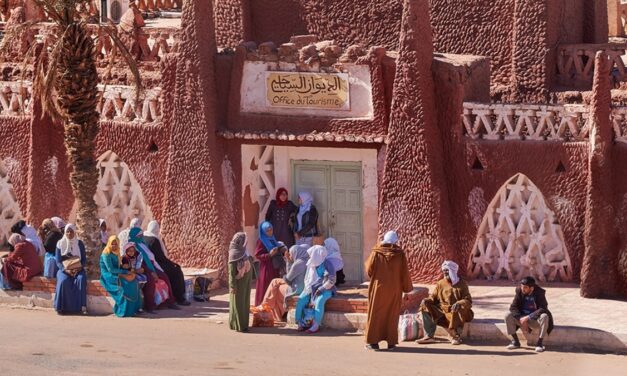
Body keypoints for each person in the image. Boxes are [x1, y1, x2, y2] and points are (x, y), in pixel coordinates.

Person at [364, 231, 413, 351]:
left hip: (378, 289)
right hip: (394, 289)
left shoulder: (376, 253)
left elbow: (369, 270)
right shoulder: (400, 254)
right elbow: (404, 273)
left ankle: (372, 342)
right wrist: (406, 290)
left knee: (375, 314)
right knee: (392, 315)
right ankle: (391, 343)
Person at [416, 260, 474, 345]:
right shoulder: (440, 283)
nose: (445, 272)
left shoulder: (462, 284)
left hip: (458, 312)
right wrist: (426, 300)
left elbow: (468, 301)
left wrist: (459, 303)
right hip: (444, 311)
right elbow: (433, 298)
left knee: (457, 308)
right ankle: (429, 336)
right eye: (444, 271)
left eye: (447, 270)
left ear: (453, 271)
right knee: (425, 305)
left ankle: (456, 336)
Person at [128, 227, 178, 312]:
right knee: (150, 280)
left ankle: (170, 301)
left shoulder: (142, 243)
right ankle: (150, 306)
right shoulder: (132, 246)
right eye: (139, 235)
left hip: (150, 265)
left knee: (165, 276)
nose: (141, 236)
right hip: (141, 267)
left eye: (141, 234)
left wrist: (156, 269)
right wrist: (150, 271)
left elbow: (150, 257)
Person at [259, 244, 310, 321]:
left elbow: (287, 279)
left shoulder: (298, 263)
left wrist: (288, 261)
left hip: (297, 289)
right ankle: (268, 307)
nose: (291, 256)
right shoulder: (307, 261)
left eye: (291, 254)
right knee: (275, 282)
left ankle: (266, 306)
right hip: (301, 286)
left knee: (276, 288)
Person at [144, 220, 190, 305]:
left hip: (147, 264)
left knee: (173, 268)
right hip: (155, 265)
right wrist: (172, 264)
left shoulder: (144, 236)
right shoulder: (154, 240)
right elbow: (161, 257)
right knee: (176, 271)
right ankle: (180, 298)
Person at [294, 245, 337, 334]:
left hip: (326, 288)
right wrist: (308, 290)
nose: (310, 256)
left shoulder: (328, 264)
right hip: (310, 288)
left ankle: (316, 324)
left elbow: (332, 280)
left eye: (312, 254)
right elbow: (307, 278)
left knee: (319, 300)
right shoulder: (311, 263)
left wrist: (321, 288)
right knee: (301, 300)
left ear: (316, 254)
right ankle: (299, 322)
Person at [504, 276, 554, 353]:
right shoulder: (519, 291)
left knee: (545, 316)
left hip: (534, 320)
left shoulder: (539, 292)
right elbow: (513, 307)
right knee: (508, 315)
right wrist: (521, 319)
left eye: (525, 287)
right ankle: (516, 342)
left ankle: (539, 343)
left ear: (531, 288)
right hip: (522, 319)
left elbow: (543, 308)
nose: (522, 289)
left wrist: (527, 318)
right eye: (521, 286)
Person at [99, 236, 141, 318]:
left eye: (115, 244)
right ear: (109, 244)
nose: (114, 246)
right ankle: (124, 311)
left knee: (134, 282)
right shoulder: (106, 254)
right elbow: (110, 269)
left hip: (117, 272)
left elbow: (117, 266)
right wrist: (125, 272)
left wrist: (124, 267)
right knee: (125, 284)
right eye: (112, 244)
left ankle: (134, 310)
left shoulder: (116, 252)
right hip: (108, 275)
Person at [54, 224, 88, 315]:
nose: (69, 233)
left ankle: (81, 307)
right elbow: (58, 262)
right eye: (67, 231)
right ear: (65, 232)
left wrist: (79, 268)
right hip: (64, 269)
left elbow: (84, 259)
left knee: (81, 279)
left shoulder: (79, 243)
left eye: (71, 231)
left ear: (74, 232)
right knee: (63, 281)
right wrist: (66, 270)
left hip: (78, 268)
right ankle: (60, 307)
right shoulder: (60, 244)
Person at [254, 221, 286, 306]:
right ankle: (263, 305)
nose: (270, 232)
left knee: (274, 286)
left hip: (275, 267)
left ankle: (273, 306)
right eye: (267, 230)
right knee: (266, 286)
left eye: (271, 229)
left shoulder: (272, 238)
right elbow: (258, 255)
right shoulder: (261, 241)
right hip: (266, 268)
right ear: (263, 231)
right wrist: (269, 254)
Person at [228, 232, 254, 332]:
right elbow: (231, 272)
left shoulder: (244, 251)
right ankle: (240, 325)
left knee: (245, 302)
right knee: (238, 303)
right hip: (238, 283)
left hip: (246, 281)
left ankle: (243, 324)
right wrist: (232, 286)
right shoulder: (234, 253)